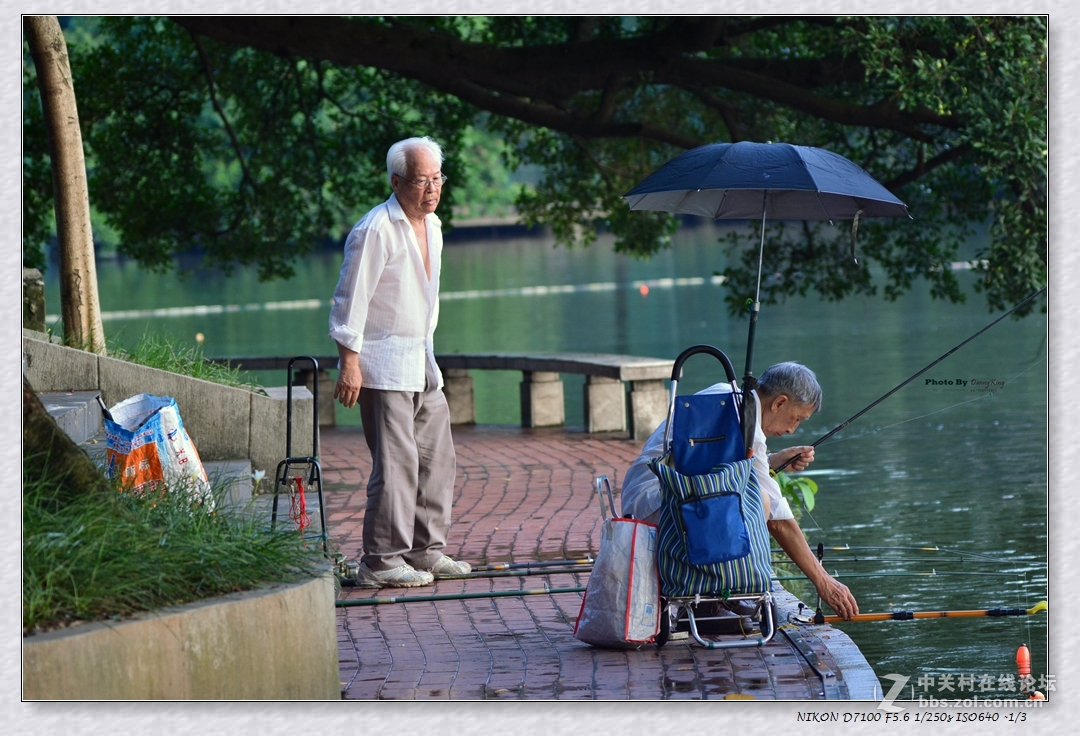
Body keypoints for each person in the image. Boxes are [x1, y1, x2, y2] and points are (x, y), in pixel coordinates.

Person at [328, 136, 469, 588]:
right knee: (396, 464)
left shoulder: (434, 226)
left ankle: (426, 551)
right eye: (421, 180)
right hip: (382, 361)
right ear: (396, 181)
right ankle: (380, 561)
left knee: (437, 456)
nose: (431, 189)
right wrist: (349, 361)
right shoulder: (375, 229)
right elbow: (350, 300)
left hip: (421, 356)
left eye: (437, 179)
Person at [620, 361, 859, 620]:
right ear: (779, 403)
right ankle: (710, 601)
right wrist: (823, 581)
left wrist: (772, 460)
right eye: (797, 418)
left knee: (749, 499)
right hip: (660, 505)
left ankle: (713, 597)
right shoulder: (746, 424)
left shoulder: (725, 395)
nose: (792, 429)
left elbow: (708, 466)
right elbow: (778, 521)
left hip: (645, 497)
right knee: (763, 502)